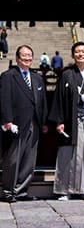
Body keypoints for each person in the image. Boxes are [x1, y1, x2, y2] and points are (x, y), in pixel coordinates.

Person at [48, 41, 84, 200]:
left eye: (83, 52)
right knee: (68, 155)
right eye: (77, 52)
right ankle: (65, 190)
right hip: (70, 121)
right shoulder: (66, 75)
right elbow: (59, 99)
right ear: (73, 55)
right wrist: (59, 121)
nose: (81, 54)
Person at [0, 45, 48, 202]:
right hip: (16, 123)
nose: (27, 58)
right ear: (17, 58)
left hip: (34, 122)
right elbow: (4, 99)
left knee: (29, 159)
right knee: (13, 159)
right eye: (24, 56)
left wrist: (44, 121)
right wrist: (7, 120)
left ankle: (21, 190)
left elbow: (42, 102)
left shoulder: (37, 77)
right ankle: (7, 191)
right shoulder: (8, 76)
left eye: (29, 56)